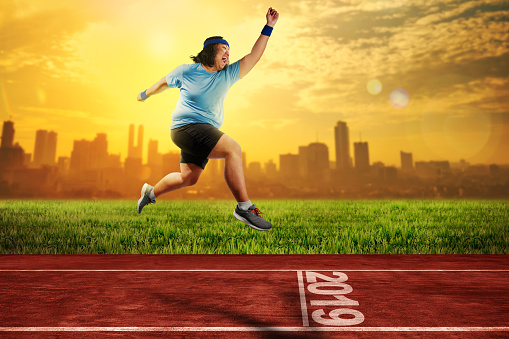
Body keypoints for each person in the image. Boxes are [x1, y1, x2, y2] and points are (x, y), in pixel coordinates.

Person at [136, 7, 279, 231]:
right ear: (211, 51)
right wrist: (145, 94)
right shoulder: (187, 71)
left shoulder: (228, 74)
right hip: (185, 128)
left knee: (189, 178)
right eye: (224, 49)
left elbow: (254, 56)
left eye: (229, 52)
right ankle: (244, 208)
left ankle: (150, 192)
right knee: (233, 149)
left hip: (202, 132)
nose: (228, 55)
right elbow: (163, 82)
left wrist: (268, 26)